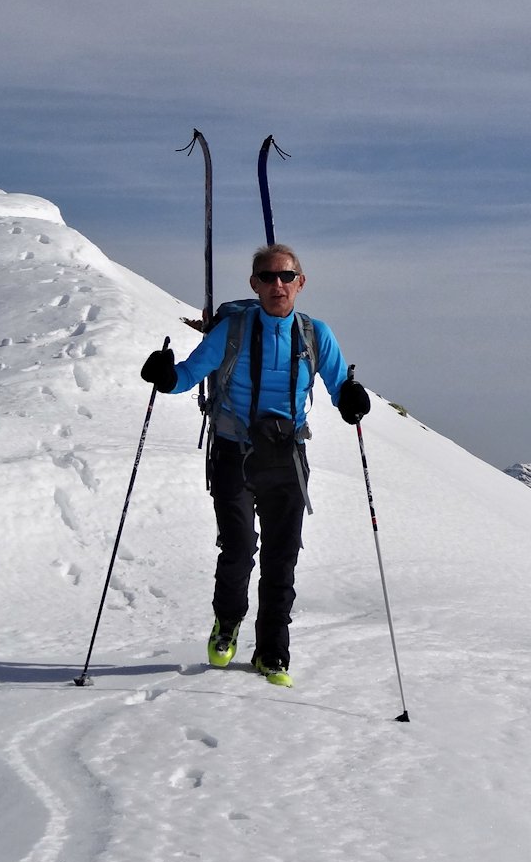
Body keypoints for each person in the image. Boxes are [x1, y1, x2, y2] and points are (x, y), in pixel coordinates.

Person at [140, 244, 371, 686]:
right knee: (240, 548)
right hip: (233, 452)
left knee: (281, 559)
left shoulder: (315, 334)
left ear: (301, 282)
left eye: (285, 277)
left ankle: (272, 653)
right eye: (266, 277)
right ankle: (227, 624)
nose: (276, 285)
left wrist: (352, 402)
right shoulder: (233, 330)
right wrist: (165, 376)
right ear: (254, 284)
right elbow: (190, 373)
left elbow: (341, 385)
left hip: (286, 457)